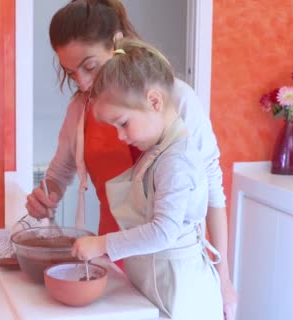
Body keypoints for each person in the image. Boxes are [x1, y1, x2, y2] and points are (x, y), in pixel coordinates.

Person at [24, 1, 236, 318]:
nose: (82, 83)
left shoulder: (176, 98)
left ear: (116, 43)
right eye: (71, 72)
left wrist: (224, 279)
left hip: (170, 269)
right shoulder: (81, 111)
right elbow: (60, 172)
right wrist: (48, 195)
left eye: (90, 67)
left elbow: (212, 188)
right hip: (113, 266)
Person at [71, 37, 222, 319]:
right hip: (158, 288)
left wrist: (103, 244)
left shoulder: (176, 161)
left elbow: (164, 231)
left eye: (123, 123)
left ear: (154, 101)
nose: (120, 135)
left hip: (182, 298)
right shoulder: (158, 152)